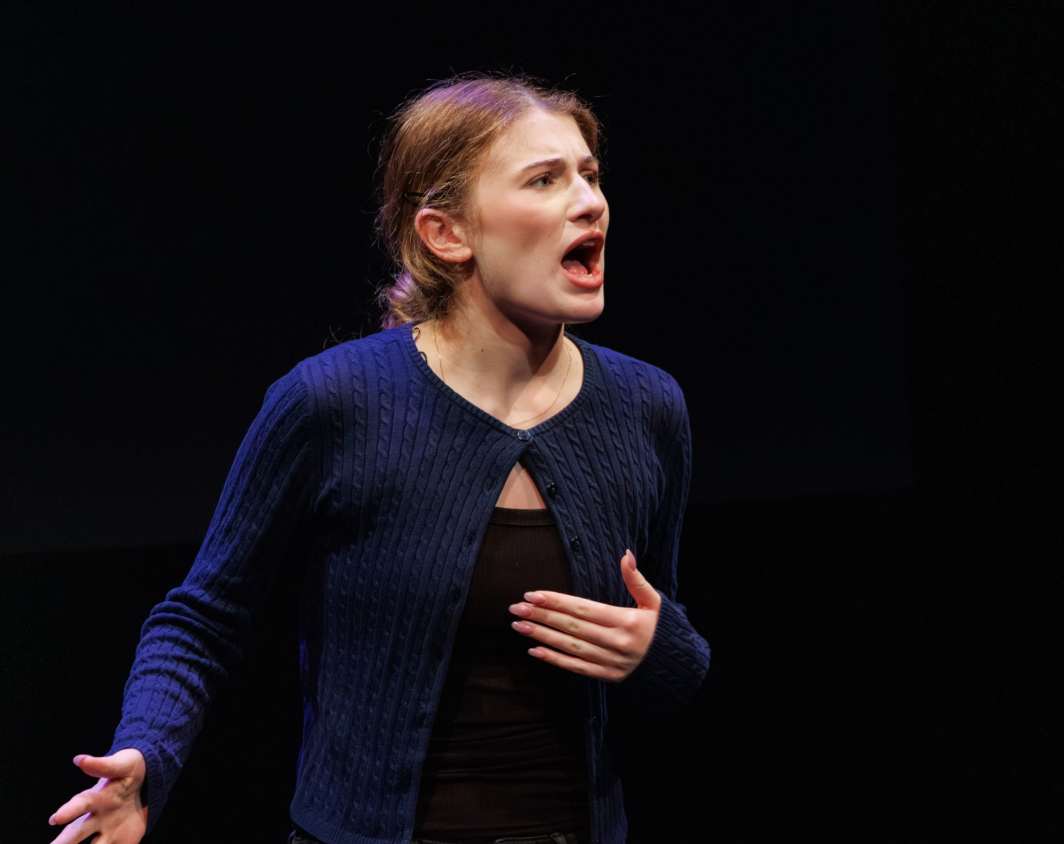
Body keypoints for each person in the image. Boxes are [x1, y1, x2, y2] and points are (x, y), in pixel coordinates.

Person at [45, 72, 712, 844]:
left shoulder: (646, 408)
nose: (590, 201)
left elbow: (667, 644)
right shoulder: (335, 404)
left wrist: (660, 651)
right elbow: (203, 619)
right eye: (545, 179)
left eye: (590, 175)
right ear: (446, 234)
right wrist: (147, 753)